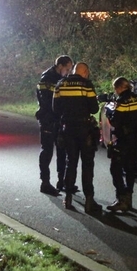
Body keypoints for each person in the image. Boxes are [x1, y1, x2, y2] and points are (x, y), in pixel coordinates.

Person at [53, 62, 101, 213]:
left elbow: (56, 108)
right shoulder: (86, 85)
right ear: (85, 72)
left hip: (67, 129)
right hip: (84, 129)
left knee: (70, 163)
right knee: (87, 164)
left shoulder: (60, 84)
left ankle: (68, 198)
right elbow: (94, 108)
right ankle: (89, 200)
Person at [102, 77, 137, 212]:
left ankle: (121, 198)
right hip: (136, 138)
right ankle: (129, 198)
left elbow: (116, 122)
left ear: (120, 87)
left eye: (115, 88)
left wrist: (110, 114)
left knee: (115, 169)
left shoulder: (121, 102)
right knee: (130, 169)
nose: (115, 91)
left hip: (123, 140)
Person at [36, 55, 74, 195]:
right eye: (67, 68)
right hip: (48, 119)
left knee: (62, 151)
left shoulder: (61, 79)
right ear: (60, 66)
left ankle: (61, 181)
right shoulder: (47, 79)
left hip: (58, 119)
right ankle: (45, 183)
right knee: (47, 151)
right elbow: (46, 102)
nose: (68, 71)